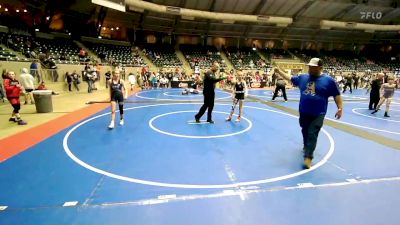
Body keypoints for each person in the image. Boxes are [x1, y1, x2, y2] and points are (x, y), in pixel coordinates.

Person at [274, 58, 343, 169]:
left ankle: (308, 157)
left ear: (320, 68)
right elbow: (290, 78)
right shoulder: (303, 77)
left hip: (318, 113)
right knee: (305, 130)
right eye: (309, 66)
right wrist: (279, 71)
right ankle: (306, 146)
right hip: (304, 111)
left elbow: (336, 95)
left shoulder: (329, 81)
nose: (310, 68)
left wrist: (340, 108)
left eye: (313, 67)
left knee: (312, 133)